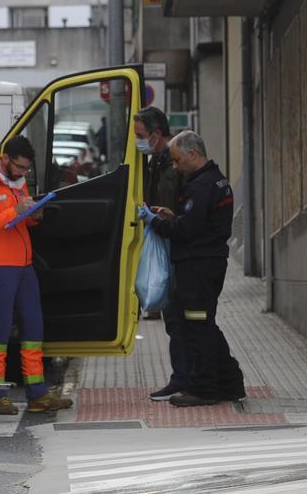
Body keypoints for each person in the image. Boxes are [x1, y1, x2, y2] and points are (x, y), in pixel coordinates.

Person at [142, 131, 246, 407]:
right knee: (203, 324)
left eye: (177, 160)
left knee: (197, 327)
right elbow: (199, 221)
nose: (175, 166)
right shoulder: (217, 181)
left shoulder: (201, 186)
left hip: (198, 267)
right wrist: (175, 216)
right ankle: (230, 381)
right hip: (207, 263)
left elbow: (187, 229)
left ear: (192, 154)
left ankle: (204, 388)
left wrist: (154, 222)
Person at [0, 136, 73, 415]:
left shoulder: (17, 182)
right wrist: (15, 210)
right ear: (6, 159)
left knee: (33, 330)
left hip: (24, 265)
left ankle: (37, 394)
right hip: (1, 267)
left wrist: (34, 214)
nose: (24, 174)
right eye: (20, 168)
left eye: (27, 170)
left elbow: (19, 221)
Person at [134, 107, 187, 402]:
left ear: (156, 134)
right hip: (166, 242)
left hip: (177, 246)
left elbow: (183, 209)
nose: (138, 143)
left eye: (141, 136)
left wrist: (162, 218)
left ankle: (184, 378)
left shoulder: (176, 163)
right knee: (173, 318)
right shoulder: (155, 162)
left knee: (180, 318)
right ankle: (183, 376)